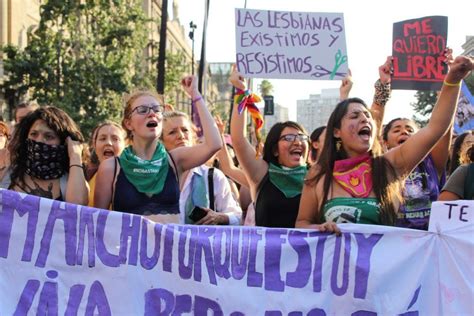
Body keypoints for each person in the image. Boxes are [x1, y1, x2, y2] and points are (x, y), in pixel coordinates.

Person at [296, 55, 473, 234]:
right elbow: (302, 223)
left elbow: (436, 128)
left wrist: (452, 81)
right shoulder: (319, 174)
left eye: (367, 116)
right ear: (336, 132)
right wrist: (319, 228)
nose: (364, 119)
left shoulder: (390, 165)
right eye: (355, 116)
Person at [94, 75, 221, 223]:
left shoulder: (175, 160)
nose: (152, 113)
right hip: (129, 245)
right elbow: (99, 223)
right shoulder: (110, 168)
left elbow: (214, 144)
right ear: (129, 124)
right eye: (142, 110)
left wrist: (195, 95)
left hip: (169, 246)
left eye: (156, 109)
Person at [229, 67, 309, 228]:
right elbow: (238, 139)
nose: (297, 142)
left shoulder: (317, 176)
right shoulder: (262, 174)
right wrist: (240, 91)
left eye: (301, 137)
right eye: (288, 138)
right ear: (274, 150)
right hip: (266, 253)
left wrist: (376, 89)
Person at [161, 111, 242, 225]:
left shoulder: (212, 176)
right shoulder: (153, 176)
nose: (181, 136)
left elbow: (238, 218)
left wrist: (220, 217)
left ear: (193, 135)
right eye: (172, 132)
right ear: (161, 141)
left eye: (185, 130)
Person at [1, 106, 88, 205]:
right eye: (34, 134)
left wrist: (75, 156)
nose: (39, 140)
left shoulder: (72, 179)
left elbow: (78, 208)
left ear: (64, 142)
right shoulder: (6, 173)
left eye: (49, 136)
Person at [383, 117, 450, 230]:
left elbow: (444, 127)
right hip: (395, 240)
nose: (404, 132)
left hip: (431, 239)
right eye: (396, 130)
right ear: (385, 143)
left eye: (410, 130)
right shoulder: (379, 166)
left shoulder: (432, 162)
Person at [86, 121, 126, 207]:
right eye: (102, 139)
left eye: (115, 139)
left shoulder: (133, 177)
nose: (108, 143)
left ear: (125, 145)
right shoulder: (86, 177)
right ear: (94, 145)